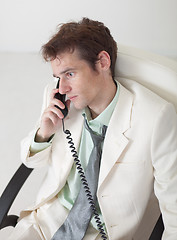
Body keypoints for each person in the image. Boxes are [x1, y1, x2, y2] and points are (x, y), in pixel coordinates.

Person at [8, 18, 177, 240]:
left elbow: (173, 205)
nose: (63, 87)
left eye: (70, 74)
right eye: (58, 77)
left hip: (104, 233)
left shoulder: (156, 118)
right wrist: (44, 132)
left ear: (103, 62)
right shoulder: (61, 101)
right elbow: (31, 162)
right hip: (46, 224)